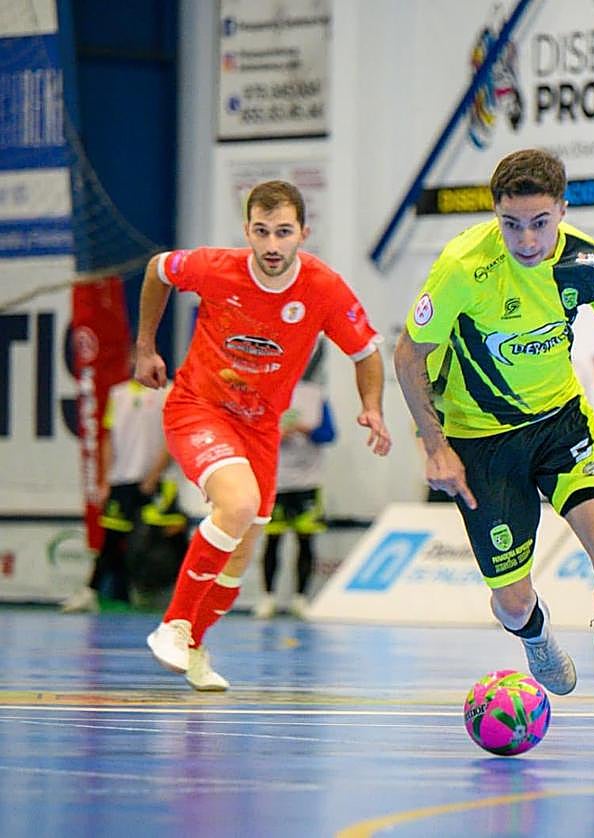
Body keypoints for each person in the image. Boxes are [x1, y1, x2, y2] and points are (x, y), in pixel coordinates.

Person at [394, 148, 594, 755]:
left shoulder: (589, 264)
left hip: (561, 423)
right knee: (511, 603)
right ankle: (535, 637)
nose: (527, 239)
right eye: (512, 224)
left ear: (562, 209)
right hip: (481, 440)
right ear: (496, 214)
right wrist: (436, 446)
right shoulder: (462, 267)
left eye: (540, 222)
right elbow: (409, 355)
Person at [135, 179, 392, 691]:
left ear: (303, 233)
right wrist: (146, 347)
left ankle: (195, 646)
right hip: (199, 408)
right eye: (262, 231)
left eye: (283, 232)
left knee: (239, 556)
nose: (272, 245)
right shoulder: (215, 267)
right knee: (238, 504)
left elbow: (366, 352)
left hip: (260, 428)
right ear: (247, 231)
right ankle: (175, 624)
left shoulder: (322, 288)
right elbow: (157, 269)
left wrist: (372, 408)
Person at [61, 372, 173, 613]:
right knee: (112, 540)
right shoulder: (118, 394)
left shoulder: (169, 393)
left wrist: (155, 474)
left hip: (159, 480)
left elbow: (173, 437)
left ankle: (171, 600)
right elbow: (109, 439)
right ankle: (92, 591)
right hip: (122, 479)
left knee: (167, 540)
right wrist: (105, 480)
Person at [254, 366, 336, 620]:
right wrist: (276, 435)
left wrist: (305, 429)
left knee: (305, 541)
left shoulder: (315, 395)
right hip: (276, 481)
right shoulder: (266, 392)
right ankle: (268, 597)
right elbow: (253, 432)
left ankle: (300, 598)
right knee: (272, 541)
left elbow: (329, 434)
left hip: (307, 482)